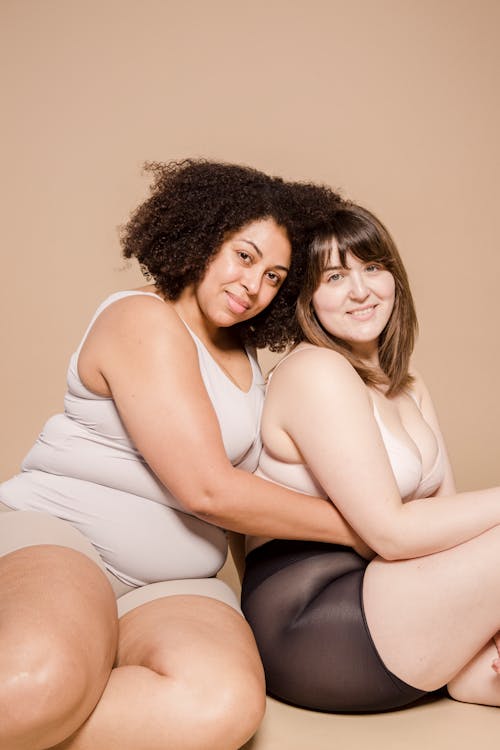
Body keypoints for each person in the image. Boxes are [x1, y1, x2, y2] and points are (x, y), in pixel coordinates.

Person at [0, 160, 365, 750]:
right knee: (37, 681)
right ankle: (57, 686)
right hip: (66, 540)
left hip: (174, 584)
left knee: (220, 707)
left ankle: (64, 694)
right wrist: (365, 529)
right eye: (244, 257)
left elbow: (248, 508)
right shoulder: (141, 318)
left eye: (275, 276)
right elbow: (209, 491)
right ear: (200, 239)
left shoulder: (248, 363)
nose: (255, 285)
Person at [241, 199, 500, 713]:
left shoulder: (408, 383)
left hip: (395, 596)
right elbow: (392, 532)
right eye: (334, 277)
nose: (360, 291)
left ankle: (474, 667)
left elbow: (451, 515)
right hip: (317, 620)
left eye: (373, 268)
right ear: (307, 298)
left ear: (394, 278)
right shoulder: (315, 372)